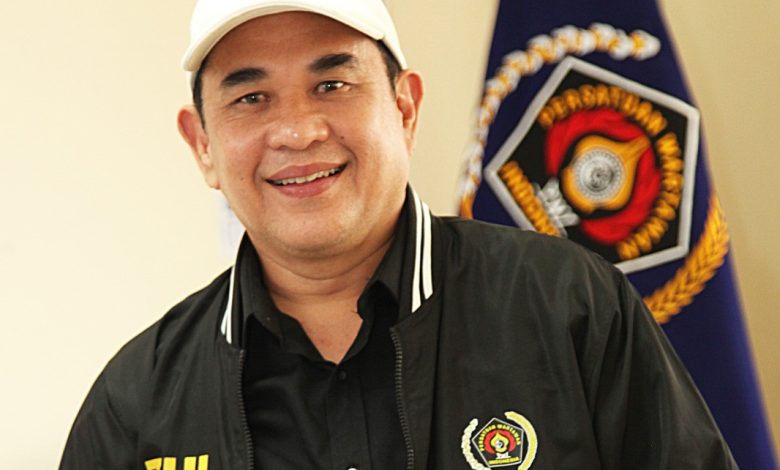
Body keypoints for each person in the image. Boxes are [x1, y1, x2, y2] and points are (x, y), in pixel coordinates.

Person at [60, 0, 738, 469]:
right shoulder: (135, 404)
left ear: (405, 107)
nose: (298, 131)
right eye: (251, 98)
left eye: (332, 84)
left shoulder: (569, 306)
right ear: (202, 145)